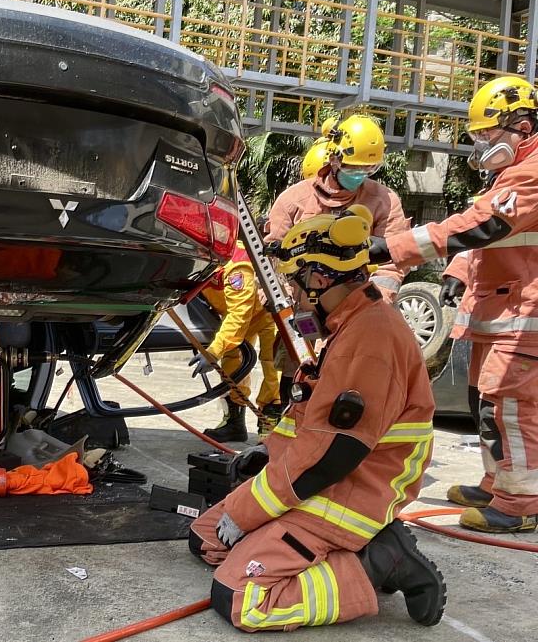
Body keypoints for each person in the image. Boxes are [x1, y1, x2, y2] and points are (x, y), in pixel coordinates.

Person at [189, 205, 443, 632]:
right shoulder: (348, 326)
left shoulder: (369, 341)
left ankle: (378, 560)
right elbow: (308, 421)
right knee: (206, 537)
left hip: (351, 494)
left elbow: (328, 456)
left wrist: (251, 512)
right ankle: (317, 550)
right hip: (318, 480)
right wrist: (265, 453)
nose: (293, 295)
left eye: (294, 283)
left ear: (320, 278)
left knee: (240, 597)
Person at [370, 75, 538, 533]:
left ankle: (520, 503)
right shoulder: (507, 176)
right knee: (486, 403)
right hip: (500, 312)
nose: (481, 145)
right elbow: (485, 243)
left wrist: (391, 248)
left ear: (522, 126)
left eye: (488, 134)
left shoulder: (532, 172)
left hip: (525, 316)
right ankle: (496, 483)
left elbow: (479, 227)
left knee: (509, 408)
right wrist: (455, 275)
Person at [265, 114, 410, 404]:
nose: (359, 174)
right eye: (354, 167)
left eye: (368, 169)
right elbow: (271, 252)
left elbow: (393, 259)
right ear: (333, 158)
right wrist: (277, 298)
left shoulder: (384, 200)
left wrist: (375, 303)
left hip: (356, 309)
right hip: (301, 306)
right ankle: (289, 435)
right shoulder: (295, 199)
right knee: (296, 373)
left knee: (349, 376)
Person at [190, 238, 282, 442]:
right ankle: (234, 422)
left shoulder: (237, 267)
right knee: (233, 364)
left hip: (266, 314)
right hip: (235, 315)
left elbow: (239, 316)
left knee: (272, 364)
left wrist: (212, 352)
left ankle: (269, 424)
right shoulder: (202, 257)